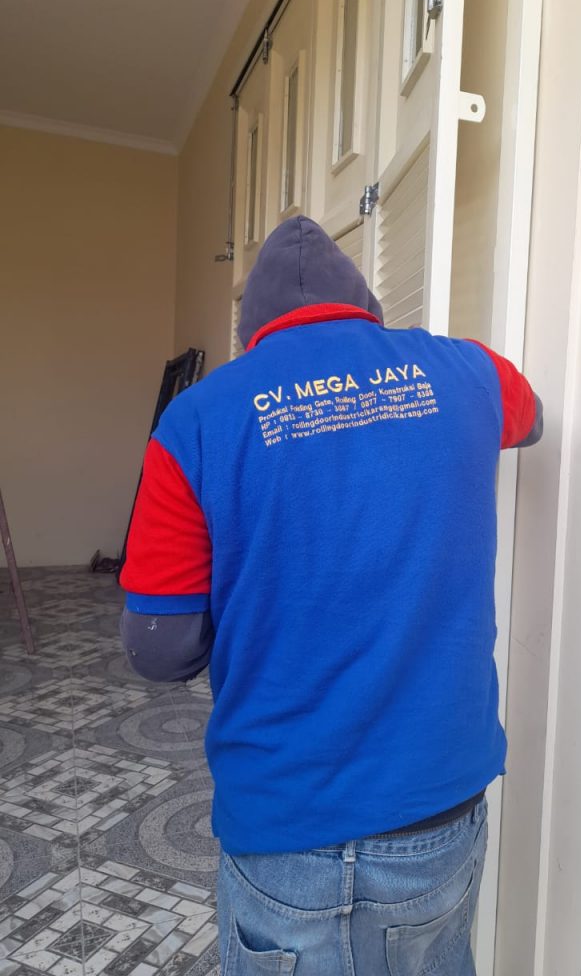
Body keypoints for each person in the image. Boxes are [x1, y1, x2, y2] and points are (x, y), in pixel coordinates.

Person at [120, 215, 543, 976]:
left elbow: (159, 649)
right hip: (437, 807)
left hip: (287, 825)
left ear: (253, 333)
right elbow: (531, 419)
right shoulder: (467, 371)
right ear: (365, 308)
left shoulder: (197, 421)